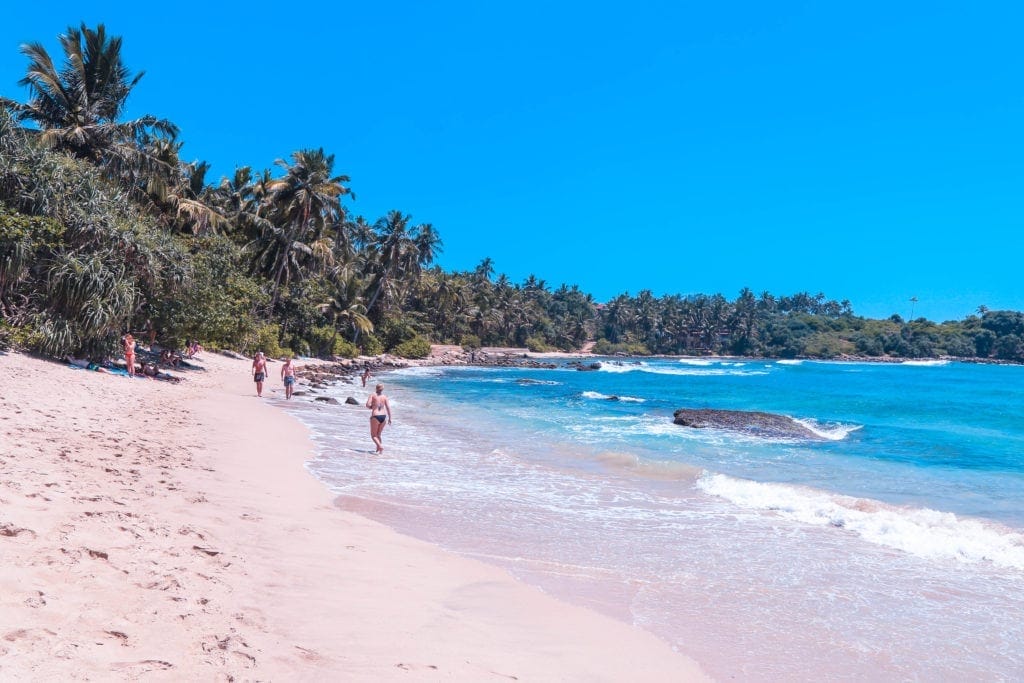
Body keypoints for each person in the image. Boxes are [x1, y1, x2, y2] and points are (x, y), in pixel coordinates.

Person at [365, 383, 392, 454]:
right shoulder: (385, 397)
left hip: (375, 416)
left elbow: (367, 405)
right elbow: (388, 407)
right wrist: (390, 418)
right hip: (383, 417)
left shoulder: (372, 395)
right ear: (382, 389)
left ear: (376, 388)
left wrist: (372, 407)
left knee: (373, 435)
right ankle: (379, 451)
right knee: (378, 434)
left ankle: (380, 446)